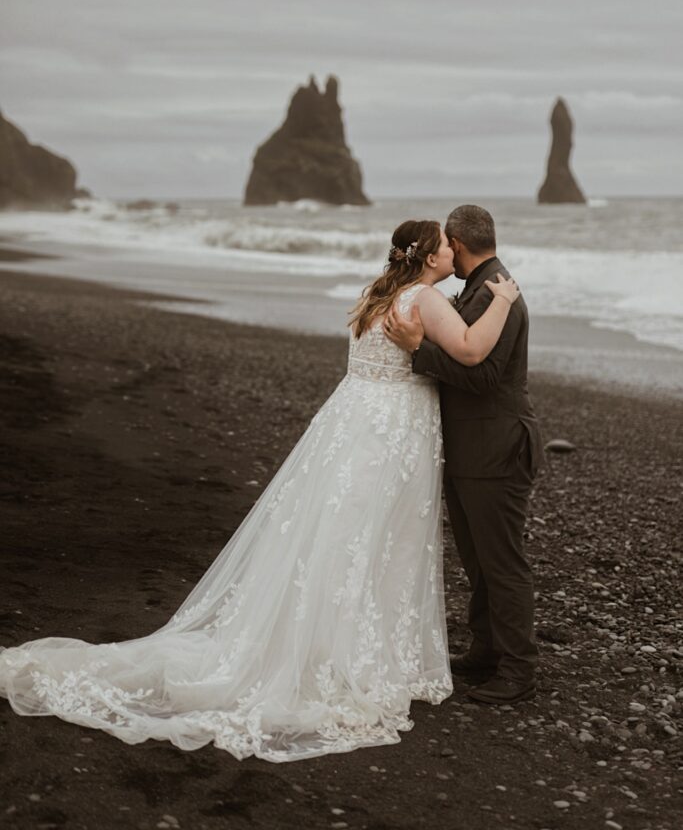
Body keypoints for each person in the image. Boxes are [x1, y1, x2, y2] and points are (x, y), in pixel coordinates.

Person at [0, 219, 518, 762]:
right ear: (429, 256)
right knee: (379, 538)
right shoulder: (426, 301)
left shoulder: (376, 293)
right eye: (443, 245)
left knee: (337, 533)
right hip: (393, 433)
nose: (450, 251)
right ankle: (354, 657)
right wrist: (502, 300)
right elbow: (469, 351)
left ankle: (324, 641)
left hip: (351, 420)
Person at [384, 205, 544, 705]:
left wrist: (417, 350)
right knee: (478, 560)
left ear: (456, 241)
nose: (446, 252)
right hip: (473, 446)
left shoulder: (497, 293)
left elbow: (482, 375)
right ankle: (487, 650)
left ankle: (519, 669)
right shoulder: (479, 288)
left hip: (495, 447)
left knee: (502, 562)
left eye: (449, 244)